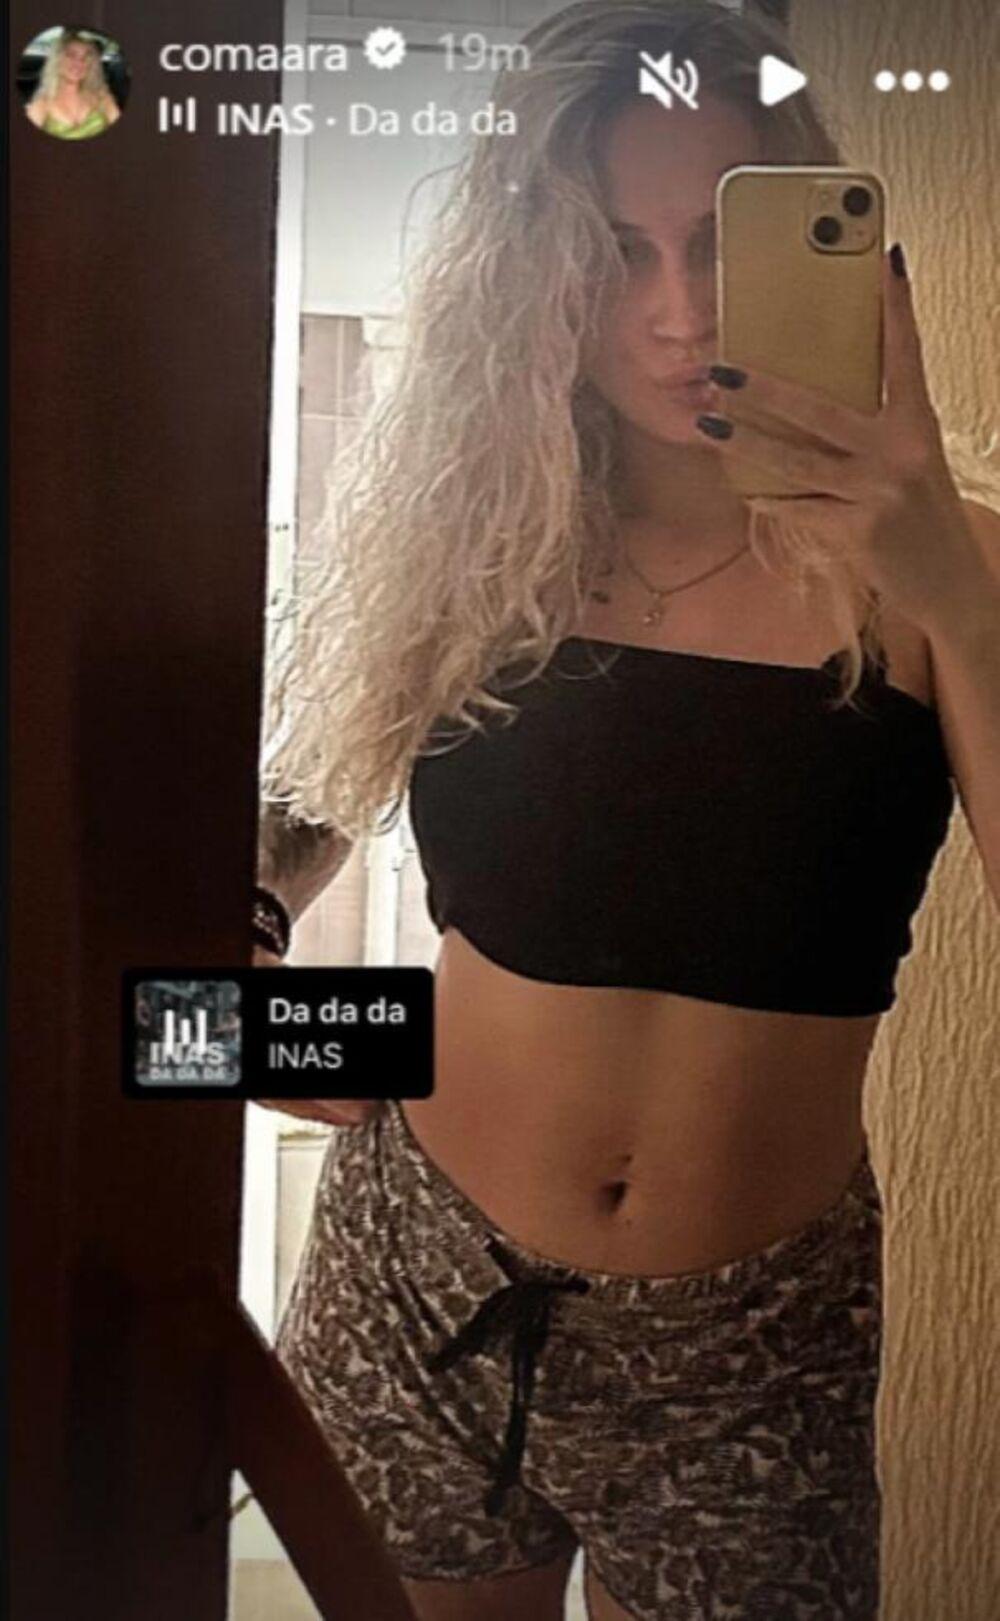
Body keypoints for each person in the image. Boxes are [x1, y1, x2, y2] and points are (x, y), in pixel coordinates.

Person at [255, 3, 1000, 1617]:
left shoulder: (958, 565)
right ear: (534, 277)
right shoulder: (478, 540)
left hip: (755, 1335)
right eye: (613, 252)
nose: (680, 313)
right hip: (419, 1273)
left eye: (724, 238)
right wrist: (260, 1032)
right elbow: (295, 803)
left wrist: (949, 584)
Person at [26, 29, 120, 140]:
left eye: (85, 58)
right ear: (57, 60)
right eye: (71, 55)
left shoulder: (102, 96)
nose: (79, 63)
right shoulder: (41, 105)